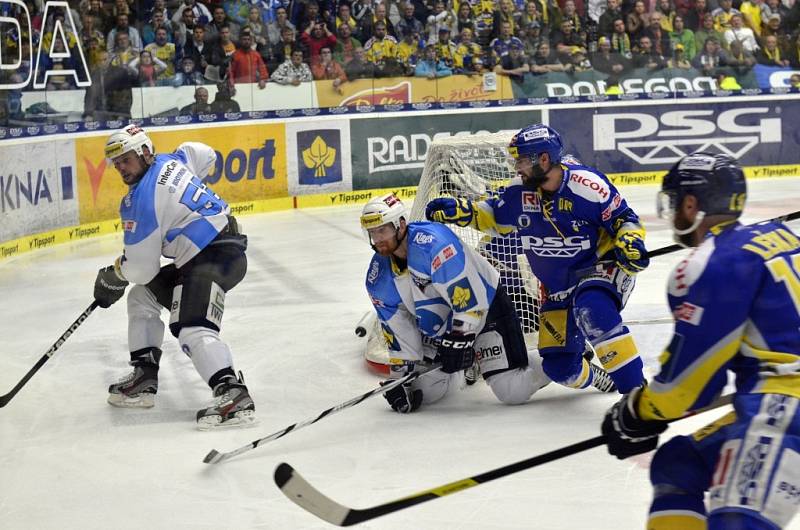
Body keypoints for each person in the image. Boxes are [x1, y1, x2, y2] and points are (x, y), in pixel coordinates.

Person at [601, 152, 800, 530]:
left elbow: (687, 388)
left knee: (738, 522)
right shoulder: (781, 236)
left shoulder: (712, 263)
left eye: (675, 202)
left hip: (785, 407)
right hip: (783, 400)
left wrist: (636, 412)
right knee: (680, 462)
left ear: (691, 205)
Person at [426, 124, 649, 394]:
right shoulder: (520, 191)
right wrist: (462, 212)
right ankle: (602, 378)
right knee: (560, 368)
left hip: (600, 271)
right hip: (557, 288)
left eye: (521, 160)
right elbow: (494, 217)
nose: (516, 167)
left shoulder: (587, 186)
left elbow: (625, 220)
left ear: (543, 159)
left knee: (593, 309)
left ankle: (638, 394)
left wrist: (631, 242)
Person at [93, 125, 255, 430]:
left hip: (211, 257)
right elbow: (205, 155)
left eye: (125, 160)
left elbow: (142, 270)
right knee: (142, 297)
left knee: (191, 326)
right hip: (221, 250)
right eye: (116, 164)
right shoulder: (174, 160)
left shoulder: (140, 201)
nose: (120, 169)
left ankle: (232, 392)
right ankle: (144, 375)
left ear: (144, 151)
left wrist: (115, 274)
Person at [361, 193, 550, 413]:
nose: (378, 238)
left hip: (487, 308)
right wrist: (400, 381)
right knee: (427, 391)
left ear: (401, 225)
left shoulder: (435, 246)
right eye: (373, 233)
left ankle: (558, 355)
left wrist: (459, 341)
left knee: (512, 390)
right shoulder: (379, 277)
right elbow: (399, 330)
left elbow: (472, 302)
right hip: (445, 326)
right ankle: (475, 364)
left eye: (382, 230)